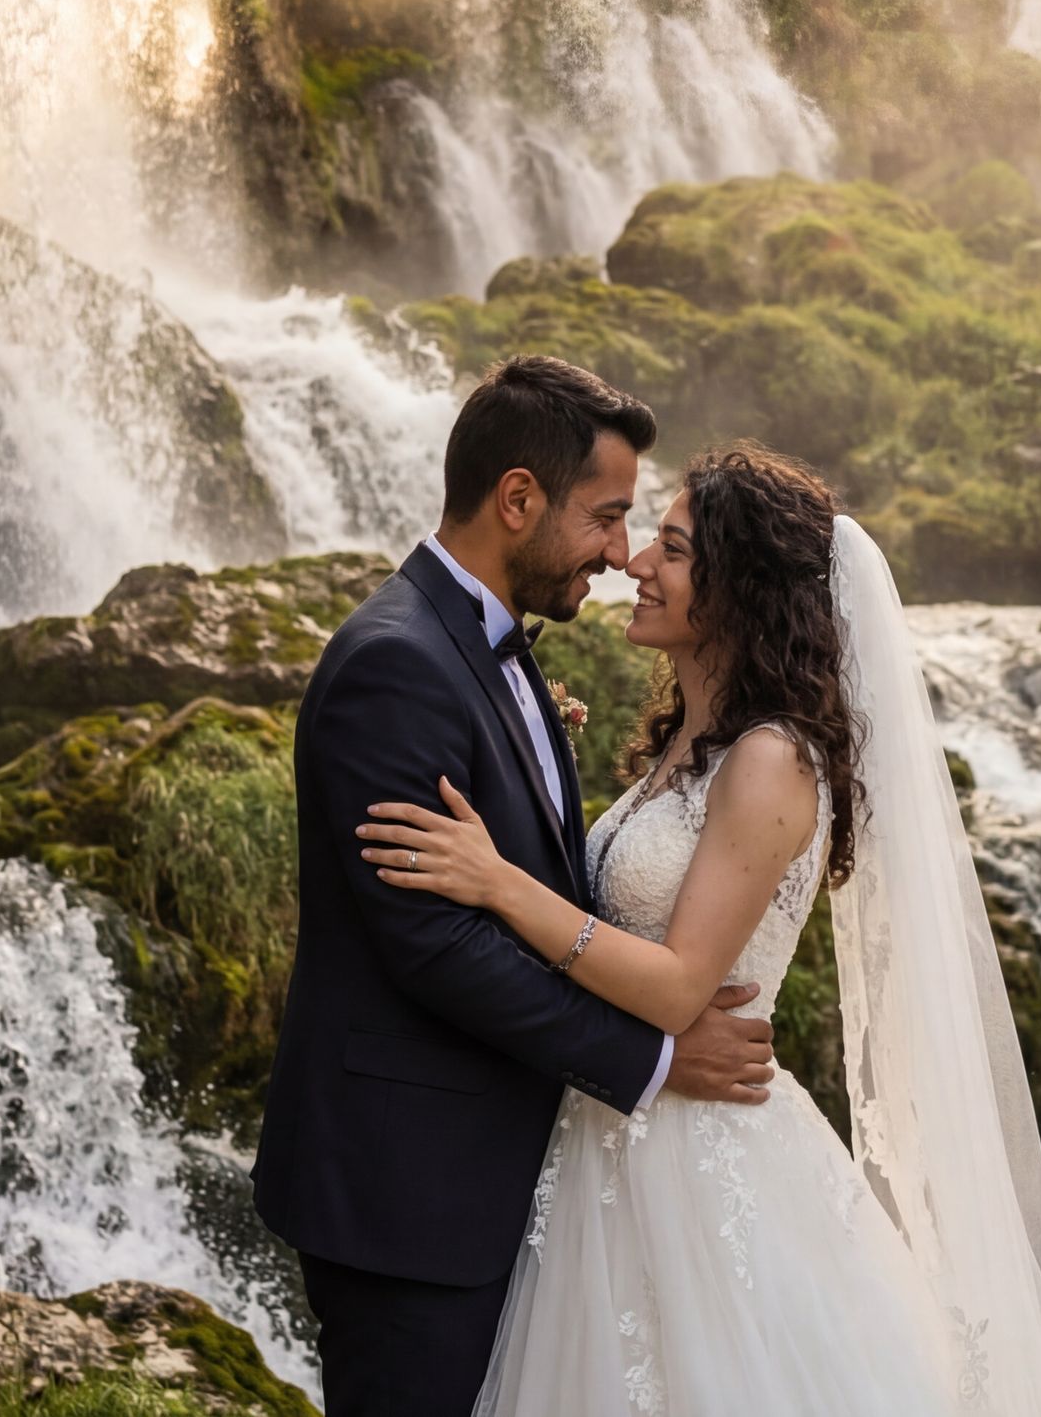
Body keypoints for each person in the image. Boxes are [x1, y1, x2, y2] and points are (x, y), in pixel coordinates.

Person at [355, 441, 1041, 1416]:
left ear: (741, 587)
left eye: (670, 548)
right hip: (606, 1137)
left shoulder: (771, 759)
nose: (634, 564)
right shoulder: (685, 744)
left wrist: (499, 885)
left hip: (699, 1166)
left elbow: (675, 987)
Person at [252, 358, 782, 1417]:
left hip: (506, 1181)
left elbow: (533, 882)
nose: (623, 554)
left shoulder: (490, 649)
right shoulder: (392, 664)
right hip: (410, 1198)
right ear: (519, 500)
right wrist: (656, 1060)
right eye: (608, 518)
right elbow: (437, 946)